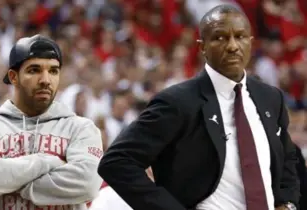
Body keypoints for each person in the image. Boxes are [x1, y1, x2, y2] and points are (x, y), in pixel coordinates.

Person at [98, 5, 300, 210]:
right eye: (220, 37)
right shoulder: (177, 102)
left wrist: (287, 202)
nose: (232, 46)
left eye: (240, 37)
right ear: (202, 46)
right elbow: (116, 162)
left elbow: (287, 157)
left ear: (250, 42)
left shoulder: (270, 97)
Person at [0, 34, 103, 210]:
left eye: (53, 71)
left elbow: (87, 184)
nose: (45, 80)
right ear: (13, 77)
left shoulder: (80, 129)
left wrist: (6, 173)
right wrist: (51, 162)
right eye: (34, 70)